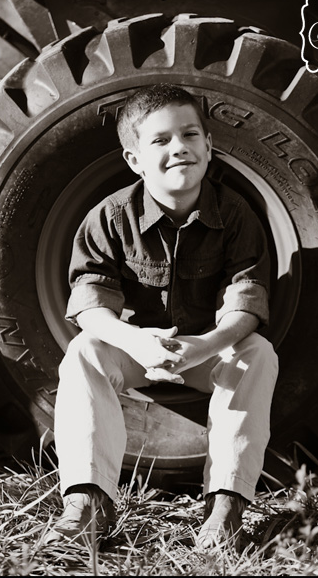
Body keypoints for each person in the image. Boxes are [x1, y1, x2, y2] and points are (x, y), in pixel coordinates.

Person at [43, 84, 279, 552]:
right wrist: (135, 341)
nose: (179, 148)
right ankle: (87, 503)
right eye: (160, 140)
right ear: (134, 159)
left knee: (258, 353)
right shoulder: (108, 217)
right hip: (136, 351)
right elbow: (90, 305)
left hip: (204, 354)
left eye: (190, 135)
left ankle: (225, 507)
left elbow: (246, 304)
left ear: (208, 148)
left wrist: (204, 346)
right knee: (84, 351)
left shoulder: (236, 216)